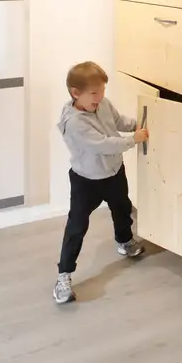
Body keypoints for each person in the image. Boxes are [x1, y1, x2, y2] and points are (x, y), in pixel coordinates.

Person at [53, 61, 149, 304]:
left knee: (122, 207)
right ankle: (64, 275)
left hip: (113, 172)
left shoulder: (101, 104)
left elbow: (117, 121)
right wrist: (134, 139)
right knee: (77, 225)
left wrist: (136, 125)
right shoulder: (75, 123)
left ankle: (124, 241)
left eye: (103, 91)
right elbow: (104, 145)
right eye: (95, 93)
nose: (101, 97)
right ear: (76, 93)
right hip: (86, 180)